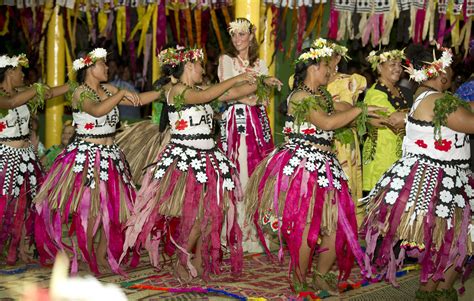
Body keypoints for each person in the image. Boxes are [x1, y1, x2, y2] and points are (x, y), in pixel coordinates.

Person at [121, 46, 281, 282]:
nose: (202, 70)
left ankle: (197, 260)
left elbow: (230, 94)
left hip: (208, 157)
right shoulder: (177, 91)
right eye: (199, 65)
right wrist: (237, 78)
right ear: (188, 66)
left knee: (211, 213)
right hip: (187, 159)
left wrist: (261, 81)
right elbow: (209, 96)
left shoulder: (197, 88)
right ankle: (180, 259)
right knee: (195, 215)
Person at [245, 44, 381, 294]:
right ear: (313, 67)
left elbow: (342, 110)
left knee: (335, 224)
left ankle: (320, 274)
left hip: (327, 165)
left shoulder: (323, 96)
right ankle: (299, 277)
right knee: (308, 225)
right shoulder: (299, 97)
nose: (331, 71)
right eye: (327, 66)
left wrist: (372, 114)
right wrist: (360, 111)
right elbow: (327, 121)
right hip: (304, 168)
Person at [33, 48, 160, 275]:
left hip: (110, 154)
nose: (107, 67)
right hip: (88, 155)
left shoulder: (108, 89)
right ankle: (86, 251)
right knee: (90, 209)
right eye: (103, 64)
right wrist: (119, 95)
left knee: (112, 210)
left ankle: (101, 253)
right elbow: (98, 111)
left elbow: (138, 100)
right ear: (90, 68)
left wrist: (164, 93)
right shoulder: (80, 93)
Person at [362, 45, 474, 300]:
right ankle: (432, 293)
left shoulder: (429, 97)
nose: (452, 73)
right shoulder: (437, 100)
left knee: (455, 243)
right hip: (439, 183)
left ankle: (440, 292)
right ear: (440, 71)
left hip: (448, 179)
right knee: (447, 244)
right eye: (449, 67)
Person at [218, 18, 281, 253]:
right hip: (236, 122)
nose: (237, 40)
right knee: (239, 172)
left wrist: (249, 93)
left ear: (250, 37)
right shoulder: (227, 61)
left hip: (257, 122)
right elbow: (225, 92)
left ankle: (256, 232)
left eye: (242, 35)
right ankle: (236, 234)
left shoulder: (260, 63)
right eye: (234, 35)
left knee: (257, 173)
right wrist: (252, 91)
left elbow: (263, 99)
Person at [0, 53, 68, 265]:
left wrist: (72, 86)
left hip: (26, 155)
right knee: (4, 204)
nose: (23, 75)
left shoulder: (24, 91)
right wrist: (35, 89)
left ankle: (19, 248)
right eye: (20, 71)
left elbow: (48, 93)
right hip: (5, 155)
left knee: (26, 202)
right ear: (10, 72)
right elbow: (10, 102)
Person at [362, 48, 413, 193]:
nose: (398, 68)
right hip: (381, 156)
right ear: (379, 67)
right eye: (392, 64)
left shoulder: (401, 91)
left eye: (399, 64)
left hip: (397, 154)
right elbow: (394, 122)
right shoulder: (375, 93)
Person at [326, 41, 367, 215]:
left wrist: (321, 102)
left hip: (341, 140)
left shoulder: (348, 82)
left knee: (342, 186)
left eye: (328, 57)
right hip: (317, 137)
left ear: (338, 58)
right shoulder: (308, 79)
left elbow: (348, 110)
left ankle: (344, 234)